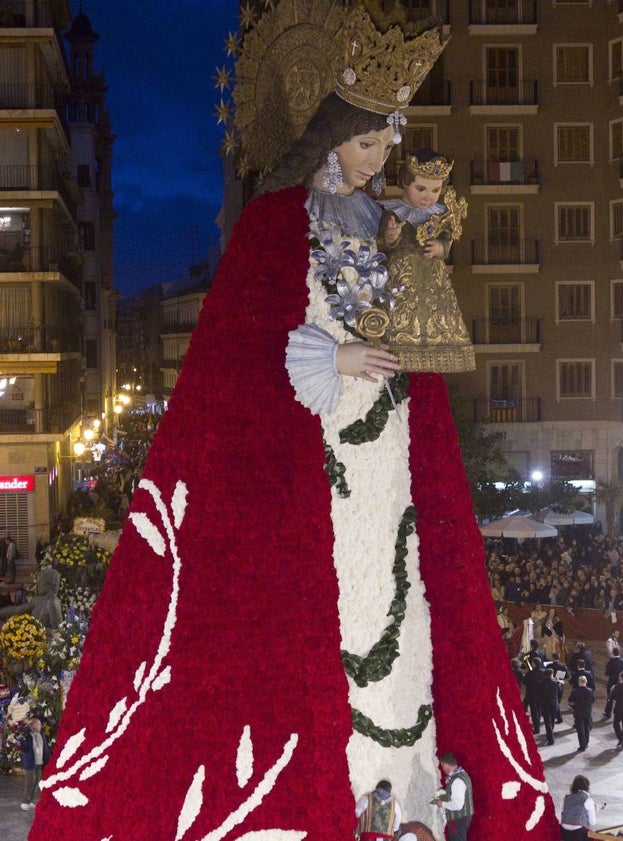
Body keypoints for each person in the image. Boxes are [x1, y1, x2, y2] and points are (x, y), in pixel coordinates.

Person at [24, 5, 558, 841]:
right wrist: (335, 361)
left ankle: (406, 779)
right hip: (309, 448)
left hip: (386, 441)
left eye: (388, 140)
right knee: (334, 599)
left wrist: (415, 275)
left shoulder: (383, 224)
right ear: (327, 135)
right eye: (366, 141)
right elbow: (245, 357)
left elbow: (406, 314)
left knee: (398, 580)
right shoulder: (279, 225)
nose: (381, 157)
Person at [378, 148, 474, 372]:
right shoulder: (391, 211)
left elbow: (447, 242)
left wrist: (440, 247)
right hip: (399, 277)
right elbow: (381, 243)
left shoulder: (440, 213)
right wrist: (390, 237)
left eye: (435, 190)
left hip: (432, 279)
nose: (427, 196)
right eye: (420, 188)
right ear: (404, 182)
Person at [434, 753, 474, 841]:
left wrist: (442, 803)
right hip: (462, 817)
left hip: (458, 818)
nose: (443, 768)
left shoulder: (457, 780)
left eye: (442, 765)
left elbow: (458, 805)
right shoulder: (462, 775)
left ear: (445, 764)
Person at [20, 717, 50, 811]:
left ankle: (30, 801)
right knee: (30, 783)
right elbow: (24, 749)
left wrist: (48, 760)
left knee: (36, 783)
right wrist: (22, 740)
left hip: (40, 762)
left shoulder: (42, 734)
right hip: (30, 763)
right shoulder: (27, 736)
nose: (41, 726)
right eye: (39, 724)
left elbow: (45, 748)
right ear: (33, 726)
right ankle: (24, 802)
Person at [559, 775, 598, 840]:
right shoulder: (588, 800)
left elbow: (562, 815)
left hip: (564, 832)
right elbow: (592, 822)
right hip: (578, 833)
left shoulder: (566, 798)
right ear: (587, 787)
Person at [568, 675, 594, 752]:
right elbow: (593, 699)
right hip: (587, 711)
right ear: (586, 682)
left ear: (579, 682)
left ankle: (582, 745)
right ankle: (586, 742)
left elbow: (570, 700)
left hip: (578, 711)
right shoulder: (590, 691)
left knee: (580, 729)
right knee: (587, 727)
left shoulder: (575, 691)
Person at [603, 647, 623, 718]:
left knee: (610, 698)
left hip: (611, 682)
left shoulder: (610, 662)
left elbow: (607, 673)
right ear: (619, 653)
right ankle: (619, 713)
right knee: (619, 698)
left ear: (613, 653)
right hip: (620, 682)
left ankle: (608, 713)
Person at [540, 668, 560, 745]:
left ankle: (550, 738)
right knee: (551, 720)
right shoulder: (555, 683)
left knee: (547, 721)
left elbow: (539, 693)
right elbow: (560, 692)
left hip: (545, 704)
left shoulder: (541, 683)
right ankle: (550, 733)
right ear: (551, 674)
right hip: (554, 703)